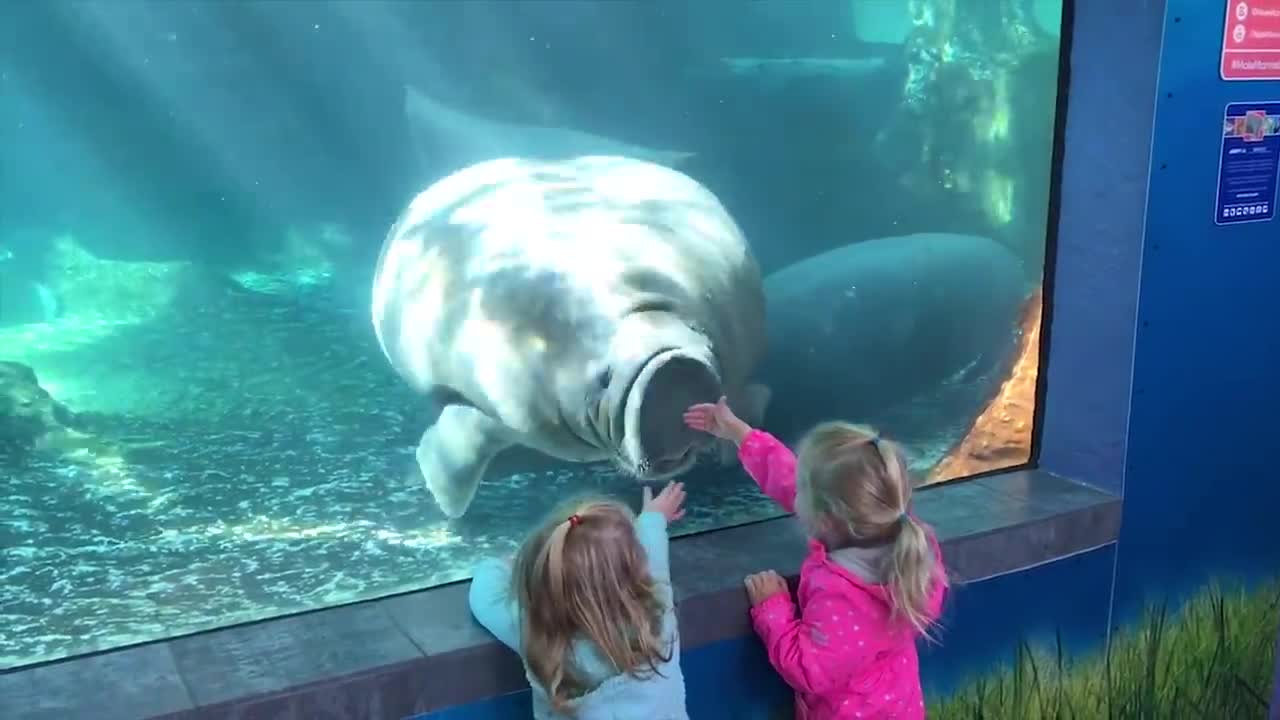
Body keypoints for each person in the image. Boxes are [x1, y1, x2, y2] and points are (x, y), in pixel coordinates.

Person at [684, 398, 948, 719]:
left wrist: (773, 609)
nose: (796, 491)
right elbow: (793, 480)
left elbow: (809, 670)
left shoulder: (843, 597)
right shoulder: (893, 527)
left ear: (823, 520)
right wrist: (740, 433)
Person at [468, 481, 690, 719]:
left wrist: (499, 565)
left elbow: (485, 598)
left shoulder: (537, 633)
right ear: (636, 567)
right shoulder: (657, 612)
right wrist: (653, 518)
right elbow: (654, 557)